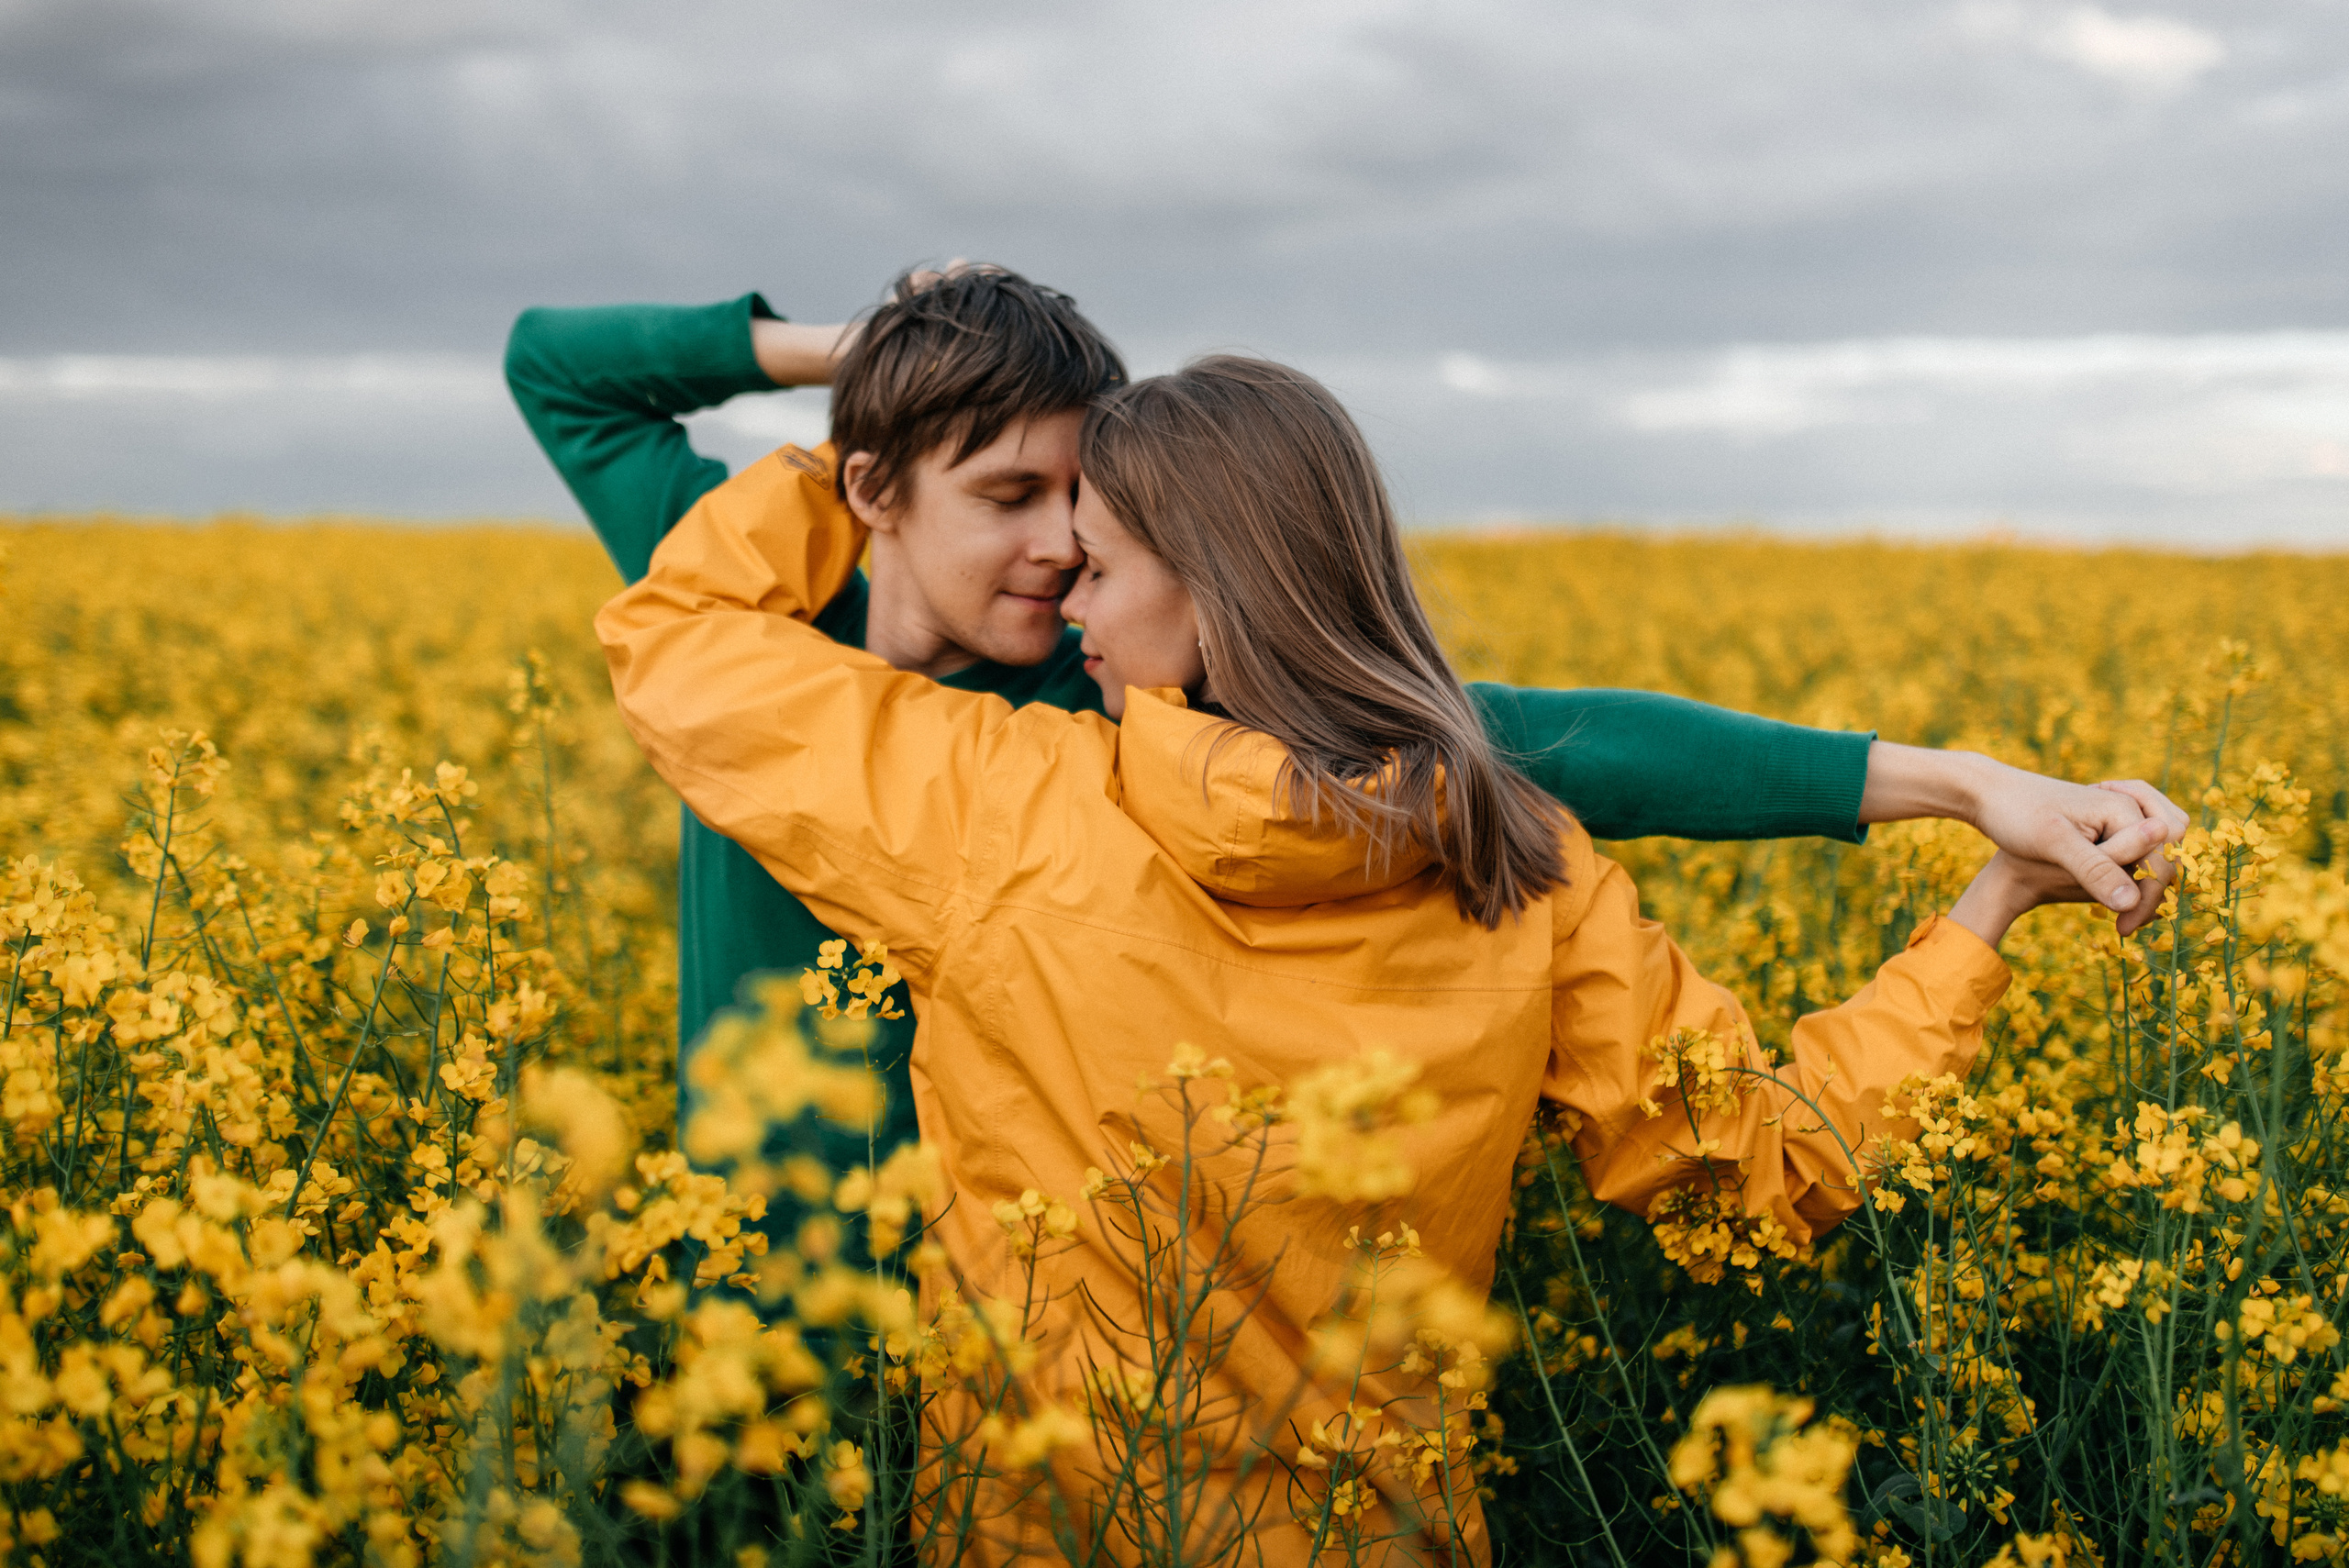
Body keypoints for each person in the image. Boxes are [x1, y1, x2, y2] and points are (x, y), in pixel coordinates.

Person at [596, 353, 2175, 1564]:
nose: (1066, 598)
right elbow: (1780, 1156)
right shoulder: (1523, 865)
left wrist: (860, 447)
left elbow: (676, 640)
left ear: (1208, 594)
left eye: (1097, 563)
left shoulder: (996, 808)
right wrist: (1986, 912)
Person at [508, 268, 2184, 1283]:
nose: (1054, 558)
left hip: (1005, 1350)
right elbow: (555, 367)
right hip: (769, 1277)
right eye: (1010, 497)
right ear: (873, 488)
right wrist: (871, 352)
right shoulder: (912, 650)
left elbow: (1537, 734)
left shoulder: (1060, 748)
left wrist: (1939, 782)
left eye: (1086, 516)